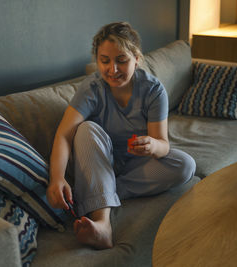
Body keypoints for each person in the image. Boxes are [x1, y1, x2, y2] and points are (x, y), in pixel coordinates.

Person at [47, 22, 196, 249]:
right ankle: (103, 224)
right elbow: (64, 136)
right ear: (96, 60)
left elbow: (164, 145)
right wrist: (56, 177)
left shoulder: (153, 90)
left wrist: (152, 145)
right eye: (104, 61)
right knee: (86, 129)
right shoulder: (92, 89)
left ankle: (98, 193)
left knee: (186, 165)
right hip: (98, 163)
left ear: (137, 58)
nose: (112, 69)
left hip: (134, 169)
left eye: (121, 60)